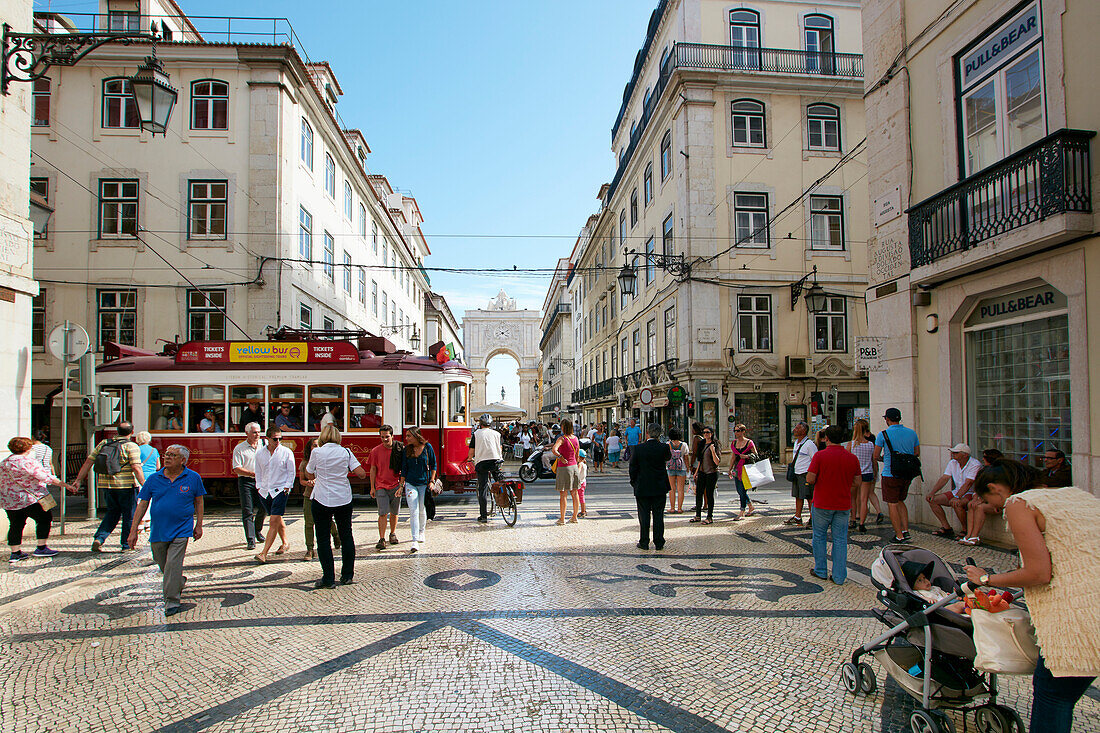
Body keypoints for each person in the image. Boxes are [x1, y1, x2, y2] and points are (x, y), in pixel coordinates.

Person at [965, 459, 1100, 733]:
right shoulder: (1075, 494)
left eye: (992, 502)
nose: (997, 509)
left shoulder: (1019, 503)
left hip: (1080, 618)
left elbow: (1039, 573)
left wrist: (984, 579)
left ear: (995, 488)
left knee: (1054, 696)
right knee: (1065, 692)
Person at [126, 445, 205, 617]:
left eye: (172, 455)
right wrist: (133, 530)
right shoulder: (154, 479)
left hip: (182, 529)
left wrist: (198, 525)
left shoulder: (193, 478)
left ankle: (171, 601)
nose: (167, 458)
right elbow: (142, 504)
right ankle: (178, 581)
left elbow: (199, 501)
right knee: (163, 562)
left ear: (183, 460)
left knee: (173, 564)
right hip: (159, 530)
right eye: (166, 454)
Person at [304, 425, 365, 588]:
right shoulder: (345, 452)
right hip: (343, 498)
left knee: (323, 539)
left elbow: (309, 472)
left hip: (322, 498)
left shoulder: (317, 452)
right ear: (338, 437)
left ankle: (328, 578)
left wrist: (320, 475)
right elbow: (361, 473)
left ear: (323, 437)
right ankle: (347, 575)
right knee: (346, 535)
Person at [2, 436, 76, 561]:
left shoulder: (4, 463)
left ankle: (15, 553)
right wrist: (66, 485)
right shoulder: (28, 461)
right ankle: (41, 547)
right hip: (31, 499)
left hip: (10, 500)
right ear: (28, 448)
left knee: (15, 524)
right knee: (44, 519)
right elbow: (46, 477)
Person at [74, 422, 144, 552]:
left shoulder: (104, 443)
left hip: (106, 486)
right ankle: (126, 544)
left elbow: (89, 461)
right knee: (129, 515)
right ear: (132, 432)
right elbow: (136, 467)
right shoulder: (131, 446)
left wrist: (78, 479)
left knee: (112, 513)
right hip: (126, 486)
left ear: (117, 431)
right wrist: (144, 485)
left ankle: (99, 538)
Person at [807, 425, 861, 585]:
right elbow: (857, 481)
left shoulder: (820, 456)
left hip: (822, 503)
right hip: (843, 504)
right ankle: (839, 576)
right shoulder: (852, 458)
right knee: (840, 540)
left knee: (819, 536)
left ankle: (821, 570)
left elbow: (810, 478)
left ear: (826, 438)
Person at [873, 407, 920, 542]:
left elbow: (876, 455)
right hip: (907, 473)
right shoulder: (912, 433)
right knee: (900, 501)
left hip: (890, 473)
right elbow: (916, 452)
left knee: (892, 503)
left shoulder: (883, 434)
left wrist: (885, 458)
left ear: (887, 419)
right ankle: (905, 530)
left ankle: (898, 535)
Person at [253, 426, 294, 563]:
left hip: (281, 490)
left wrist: (287, 487)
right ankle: (285, 542)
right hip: (264, 491)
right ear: (268, 439)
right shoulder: (260, 454)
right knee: (276, 518)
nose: (278, 441)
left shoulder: (286, 452)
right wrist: (259, 487)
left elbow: (291, 472)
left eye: (280, 439)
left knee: (273, 521)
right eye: (275, 439)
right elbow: (258, 472)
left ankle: (264, 553)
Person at [925, 443, 982, 538]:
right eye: (953, 452)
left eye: (956, 452)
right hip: (957, 491)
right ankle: (946, 527)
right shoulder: (952, 463)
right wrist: (932, 492)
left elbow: (969, 483)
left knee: (957, 503)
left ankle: (965, 529)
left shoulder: (975, 464)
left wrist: (957, 497)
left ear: (965, 455)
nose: (953, 454)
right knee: (932, 500)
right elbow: (944, 478)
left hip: (971, 493)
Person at [630, 423, 671, 550]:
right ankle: (659, 542)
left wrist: (634, 482)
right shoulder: (664, 447)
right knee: (658, 515)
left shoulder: (638, 448)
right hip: (659, 486)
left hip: (643, 486)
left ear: (647, 432)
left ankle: (644, 541)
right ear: (659, 434)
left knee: (644, 515)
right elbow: (668, 458)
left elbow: (633, 467)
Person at [298, 438, 339, 560]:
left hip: (323, 495)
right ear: (309, 448)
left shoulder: (325, 461)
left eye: (318, 445)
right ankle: (310, 549)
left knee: (327, 520)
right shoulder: (305, 463)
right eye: (314, 446)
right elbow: (301, 480)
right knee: (309, 523)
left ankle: (335, 535)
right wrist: (309, 482)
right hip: (309, 495)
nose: (316, 448)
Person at [399, 427, 436, 553]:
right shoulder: (407, 450)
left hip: (424, 483)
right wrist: (401, 485)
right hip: (410, 483)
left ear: (416, 436)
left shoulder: (427, 447)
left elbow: (433, 465)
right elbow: (404, 468)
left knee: (421, 508)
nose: (407, 438)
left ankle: (421, 531)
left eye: (409, 436)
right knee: (413, 510)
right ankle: (414, 540)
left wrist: (432, 480)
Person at [958, 448, 1004, 547]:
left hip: (995, 501)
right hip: (984, 498)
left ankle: (975, 535)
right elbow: (978, 487)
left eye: (984, 457)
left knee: (979, 507)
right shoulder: (984, 470)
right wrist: (976, 498)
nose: (982, 459)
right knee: (971, 504)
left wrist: (982, 499)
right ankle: (969, 534)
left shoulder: (999, 471)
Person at [368, 424, 403, 550]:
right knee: (382, 513)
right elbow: (373, 469)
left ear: (392, 436)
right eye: (382, 437)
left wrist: (401, 484)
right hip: (381, 485)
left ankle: (392, 533)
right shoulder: (375, 451)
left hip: (395, 484)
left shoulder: (399, 449)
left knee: (394, 512)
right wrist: (372, 487)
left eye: (387, 436)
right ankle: (382, 538)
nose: (385, 439)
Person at [231, 423, 266, 550]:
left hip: (261, 481)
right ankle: (250, 539)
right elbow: (237, 468)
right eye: (254, 432)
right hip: (246, 481)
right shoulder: (239, 448)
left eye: (258, 432)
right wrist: (252, 473)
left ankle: (257, 530)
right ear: (247, 434)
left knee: (264, 507)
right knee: (248, 510)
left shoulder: (264, 446)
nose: (257, 435)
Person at [846, 419, 883, 533]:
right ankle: (862, 523)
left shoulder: (851, 445)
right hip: (867, 473)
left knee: (852, 497)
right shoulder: (871, 444)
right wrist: (875, 472)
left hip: (854, 474)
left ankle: (853, 519)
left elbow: (847, 461)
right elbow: (873, 460)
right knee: (864, 499)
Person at [469, 414, 504, 524]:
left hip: (482, 463)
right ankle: (507, 501)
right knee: (499, 482)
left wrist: (470, 458)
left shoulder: (476, 434)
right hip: (496, 461)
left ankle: (483, 516)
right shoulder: (497, 434)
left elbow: (472, 450)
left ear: (480, 423)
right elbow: (500, 447)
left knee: (482, 488)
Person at [901, 561, 967, 614]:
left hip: (948, 602)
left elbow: (943, 594)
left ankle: (969, 607)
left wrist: (951, 596)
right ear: (912, 585)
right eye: (920, 580)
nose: (925, 581)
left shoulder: (935, 588)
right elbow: (919, 599)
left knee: (961, 602)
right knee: (959, 605)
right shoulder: (916, 592)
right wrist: (926, 599)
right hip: (940, 609)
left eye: (924, 578)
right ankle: (968, 608)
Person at [784, 422, 817, 527]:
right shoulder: (796, 443)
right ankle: (798, 517)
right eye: (795, 428)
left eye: (798, 428)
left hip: (805, 474)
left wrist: (811, 474)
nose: (795, 430)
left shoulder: (809, 444)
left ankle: (813, 518)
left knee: (809, 497)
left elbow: (815, 460)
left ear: (804, 431)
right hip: (797, 473)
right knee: (798, 496)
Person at [551, 418, 582, 525]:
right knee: (575, 492)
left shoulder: (562, 439)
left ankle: (562, 519)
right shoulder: (576, 439)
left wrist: (560, 456)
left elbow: (554, 450)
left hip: (564, 467)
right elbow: (577, 455)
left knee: (563, 493)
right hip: (574, 467)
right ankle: (574, 517)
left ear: (563, 427)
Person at [726, 423, 757, 521]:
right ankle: (750, 506)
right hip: (737, 468)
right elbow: (733, 457)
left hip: (747, 468)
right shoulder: (734, 443)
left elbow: (756, 455)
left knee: (743, 490)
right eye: (735, 431)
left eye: (738, 431)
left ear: (743, 431)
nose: (736, 433)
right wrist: (730, 469)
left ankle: (742, 511)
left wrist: (747, 456)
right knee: (739, 490)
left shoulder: (749, 443)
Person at [691, 426, 721, 525]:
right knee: (699, 494)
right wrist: (696, 472)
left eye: (707, 432)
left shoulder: (715, 445)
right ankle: (698, 515)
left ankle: (709, 517)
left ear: (712, 433)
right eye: (704, 433)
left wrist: (712, 450)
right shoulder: (702, 443)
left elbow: (717, 462)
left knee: (709, 494)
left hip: (712, 472)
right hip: (702, 472)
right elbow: (700, 459)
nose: (706, 434)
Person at [134, 431, 161, 534]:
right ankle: (148, 525)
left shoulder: (137, 450)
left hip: (140, 478)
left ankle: (140, 524)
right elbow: (158, 467)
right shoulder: (154, 450)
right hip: (152, 478)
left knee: (140, 501)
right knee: (150, 501)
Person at [665, 427, 688, 514]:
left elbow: (666, 457)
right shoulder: (684, 445)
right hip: (681, 467)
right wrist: (688, 468)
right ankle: (679, 508)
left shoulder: (668, 444)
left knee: (671, 489)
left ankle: (672, 508)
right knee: (681, 489)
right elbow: (686, 458)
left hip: (670, 468)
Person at [577, 449, 588, 517]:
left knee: (581, 497)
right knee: (581, 496)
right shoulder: (584, 463)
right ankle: (583, 510)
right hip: (583, 481)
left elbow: (577, 472)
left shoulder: (580, 464)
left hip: (580, 482)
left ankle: (583, 511)